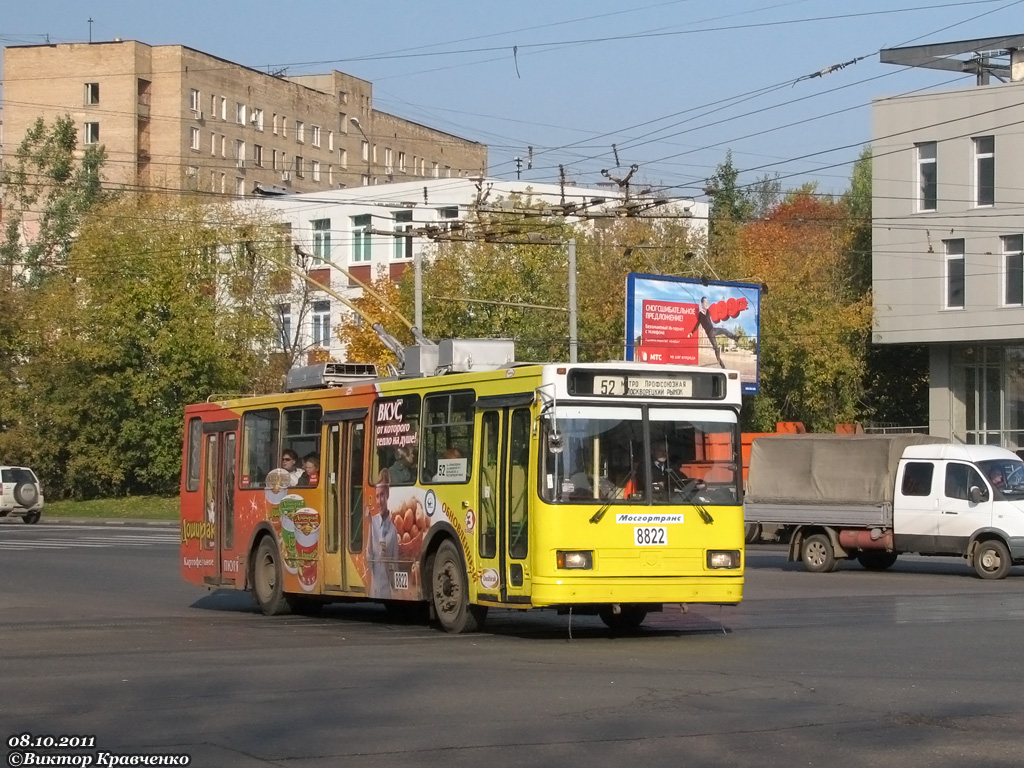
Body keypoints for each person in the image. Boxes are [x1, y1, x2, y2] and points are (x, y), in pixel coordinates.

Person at [366, 468, 398, 599]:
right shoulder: (372, 522)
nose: (379, 501)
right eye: (377, 496)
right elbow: (368, 560)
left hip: (387, 592)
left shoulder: (393, 530)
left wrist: (387, 561)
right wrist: (369, 526)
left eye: (382, 496)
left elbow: (395, 564)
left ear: (388, 495)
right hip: (373, 589)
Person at [686, 296, 739, 368]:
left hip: (713, 330)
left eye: (707, 302)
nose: (706, 303)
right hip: (710, 334)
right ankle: (721, 364)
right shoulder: (700, 314)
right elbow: (697, 325)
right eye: (705, 302)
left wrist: (722, 302)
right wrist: (691, 333)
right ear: (702, 303)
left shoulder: (708, 311)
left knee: (724, 330)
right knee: (716, 348)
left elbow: (716, 308)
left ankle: (735, 338)